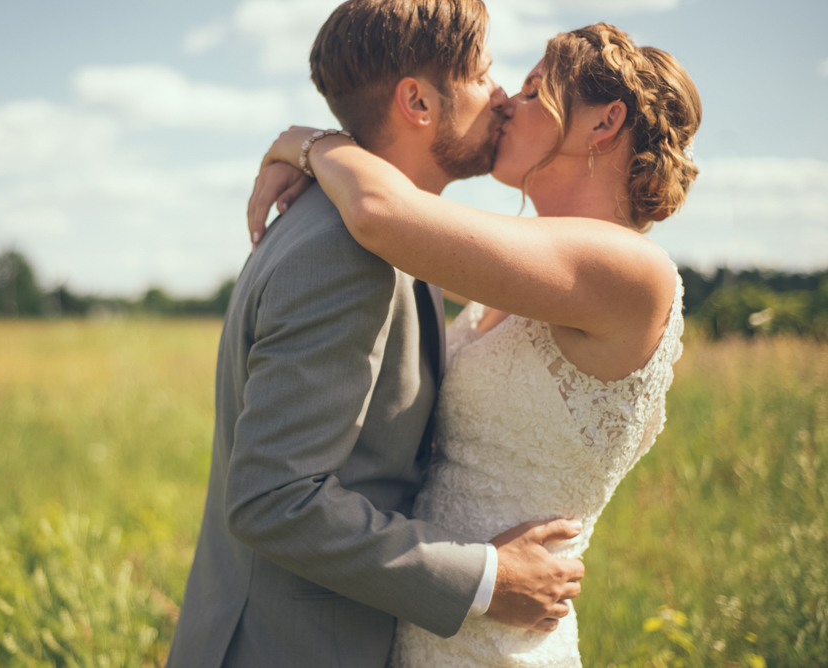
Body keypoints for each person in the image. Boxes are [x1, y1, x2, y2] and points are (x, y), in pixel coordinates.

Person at [248, 21, 700, 668]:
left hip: (503, 641)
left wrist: (309, 142)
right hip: (431, 615)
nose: (504, 103)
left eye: (534, 90)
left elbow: (380, 214)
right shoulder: (511, 284)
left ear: (604, 123)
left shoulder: (634, 273)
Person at [166, 2, 587, 667]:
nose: (502, 95)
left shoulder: (381, 235)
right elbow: (274, 498)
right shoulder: (344, 252)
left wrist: (308, 142)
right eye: (483, 75)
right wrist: (487, 580)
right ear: (417, 101)